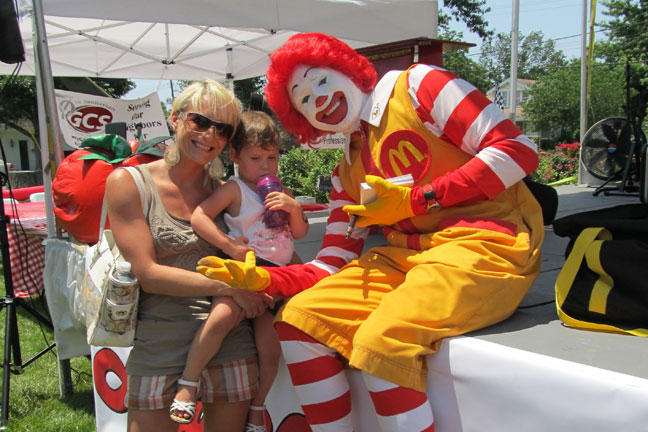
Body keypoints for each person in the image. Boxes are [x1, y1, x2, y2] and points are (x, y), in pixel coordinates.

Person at [198, 33, 544, 432]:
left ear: (345, 68)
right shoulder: (346, 169)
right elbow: (331, 262)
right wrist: (271, 279)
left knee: (381, 341)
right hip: (407, 258)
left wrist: (421, 199)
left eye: (321, 81)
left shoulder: (420, 85)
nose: (319, 100)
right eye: (304, 100)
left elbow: (518, 150)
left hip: (486, 242)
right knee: (296, 320)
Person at [105, 79, 273, 432]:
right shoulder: (129, 182)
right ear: (176, 118)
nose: (210, 135)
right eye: (200, 121)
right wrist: (230, 288)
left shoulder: (229, 192)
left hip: (230, 341)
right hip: (160, 341)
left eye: (223, 129)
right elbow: (148, 273)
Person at [170, 110, 309, 430]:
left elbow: (299, 233)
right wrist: (229, 245)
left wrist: (294, 208)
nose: (265, 166)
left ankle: (258, 408)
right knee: (219, 318)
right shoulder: (234, 189)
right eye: (255, 158)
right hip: (245, 270)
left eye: (272, 157)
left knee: (270, 349)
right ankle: (188, 384)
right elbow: (200, 217)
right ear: (234, 156)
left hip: (278, 276)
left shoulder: (282, 190)